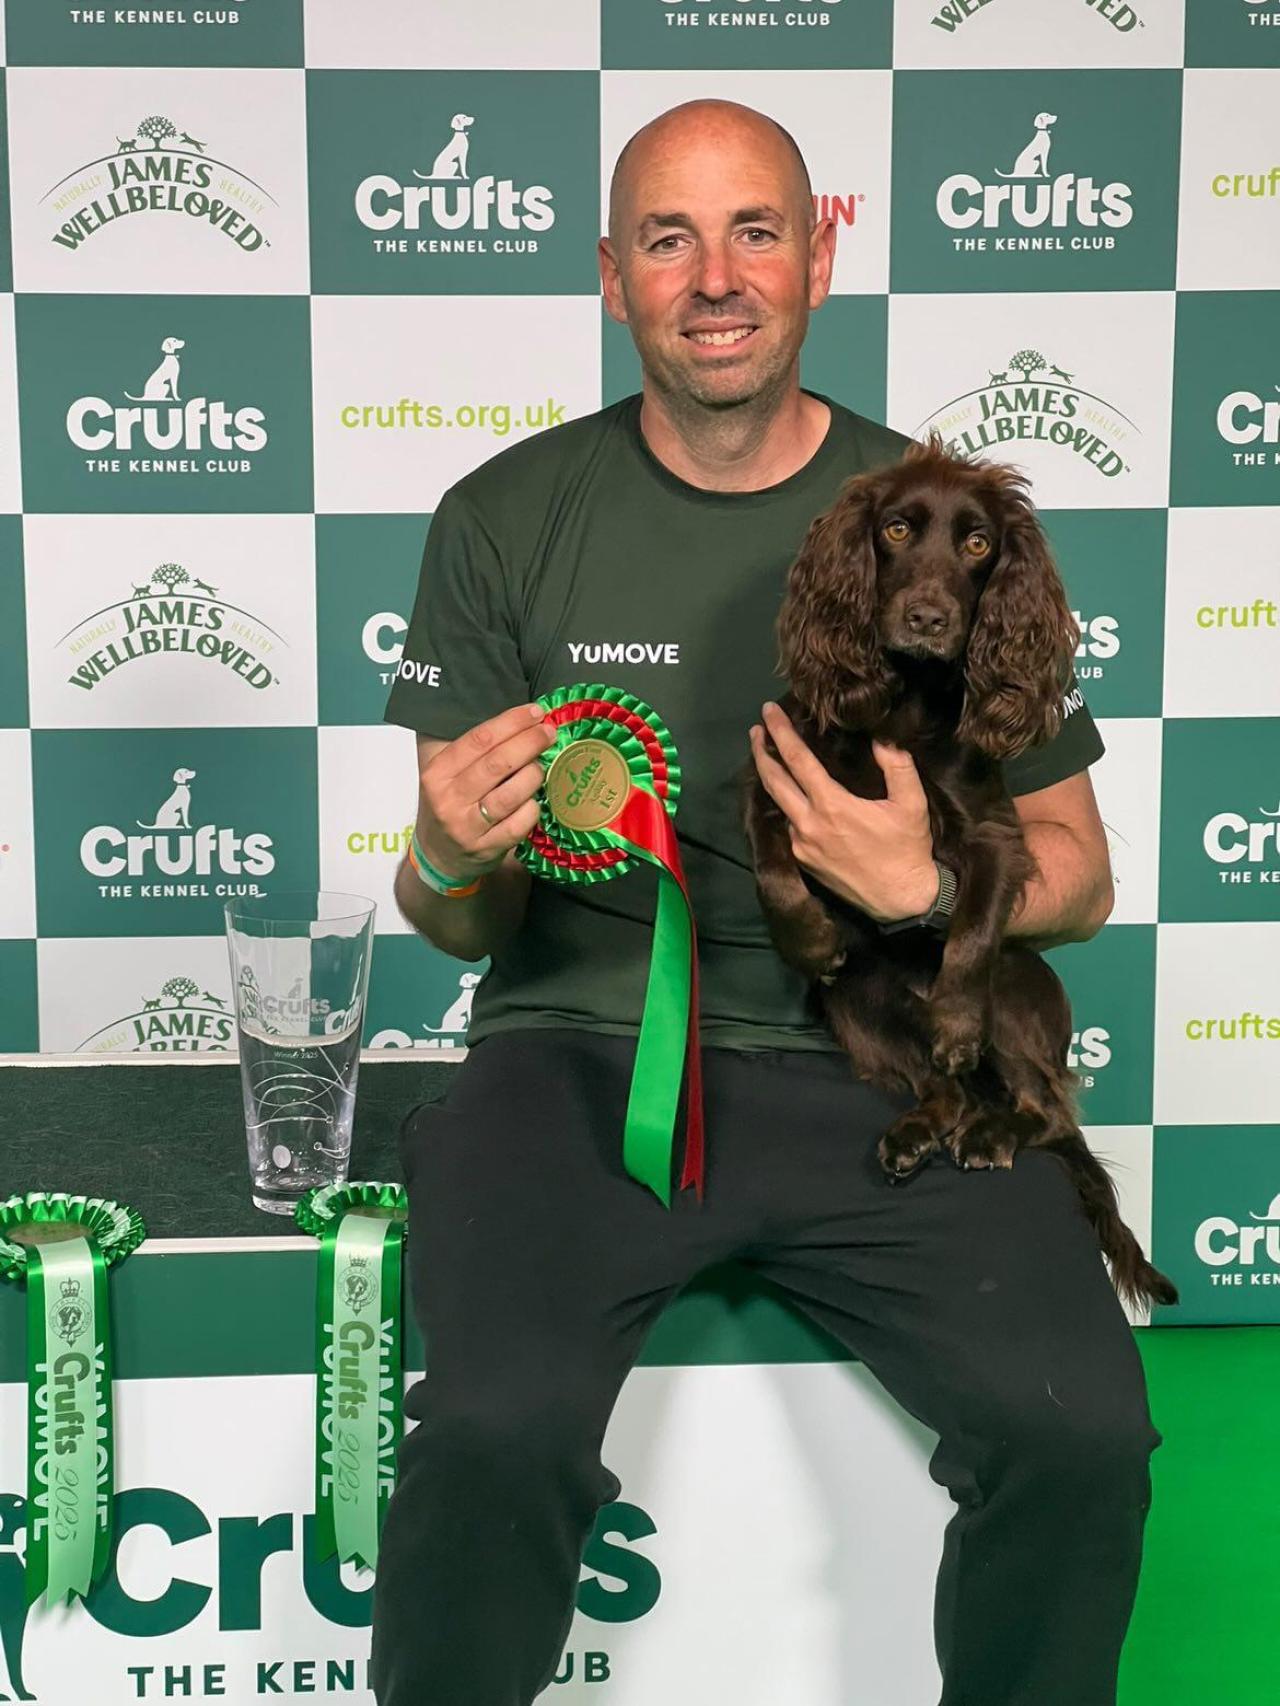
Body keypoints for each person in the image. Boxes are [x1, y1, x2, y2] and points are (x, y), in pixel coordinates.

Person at [371, 99, 1162, 1706]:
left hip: (880, 1065)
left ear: (820, 252)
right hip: (578, 1059)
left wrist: (931, 884)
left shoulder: (943, 516)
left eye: (753, 232)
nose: (714, 275)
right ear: (612, 276)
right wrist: (448, 854)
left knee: (1083, 1437)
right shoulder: (503, 519)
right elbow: (456, 920)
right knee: (490, 1427)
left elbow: (1078, 869)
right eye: (669, 237)